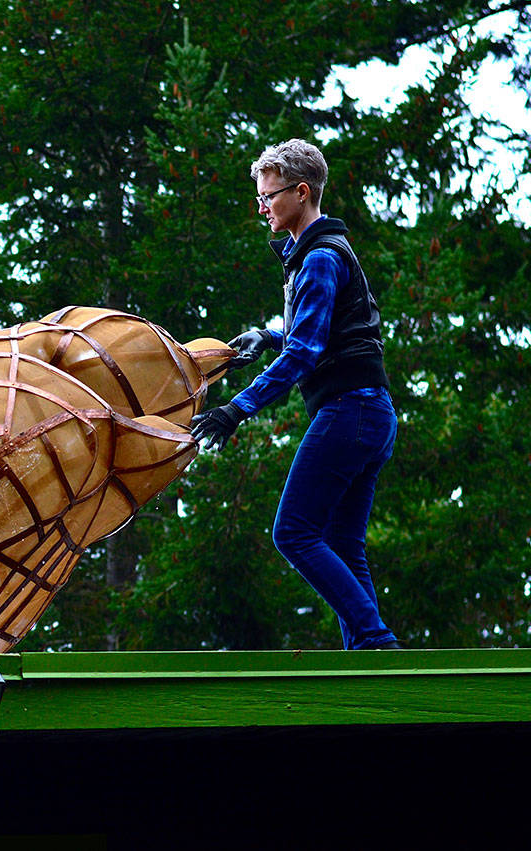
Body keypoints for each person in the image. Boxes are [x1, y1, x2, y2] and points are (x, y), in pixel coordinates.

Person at [191, 139, 401, 650]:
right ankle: (371, 660)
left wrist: (235, 409)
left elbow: (305, 353)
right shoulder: (317, 254)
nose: (261, 207)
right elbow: (322, 337)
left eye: (269, 196)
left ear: (301, 193)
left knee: (293, 533)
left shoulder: (320, 258)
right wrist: (268, 337)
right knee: (342, 544)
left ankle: (375, 642)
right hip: (371, 414)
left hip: (349, 411)